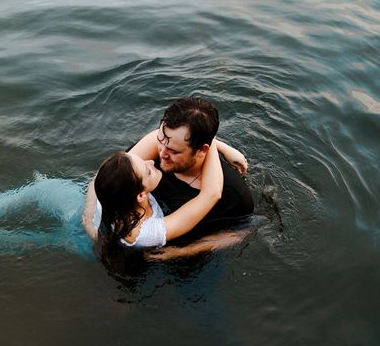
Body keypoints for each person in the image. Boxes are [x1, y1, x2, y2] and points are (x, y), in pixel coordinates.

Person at [0, 138, 224, 256]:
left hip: (84, 215)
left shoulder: (112, 188)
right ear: (140, 195)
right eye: (147, 170)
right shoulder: (145, 233)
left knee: (38, 189)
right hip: (87, 243)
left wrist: (87, 212)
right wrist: (211, 145)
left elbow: (100, 176)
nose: (152, 162)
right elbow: (211, 193)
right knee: (33, 242)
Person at [83, 97, 254, 252]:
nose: (159, 155)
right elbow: (211, 193)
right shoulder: (148, 232)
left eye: (173, 150)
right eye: (160, 141)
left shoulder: (235, 195)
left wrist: (186, 251)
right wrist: (89, 220)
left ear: (202, 149)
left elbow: (242, 232)